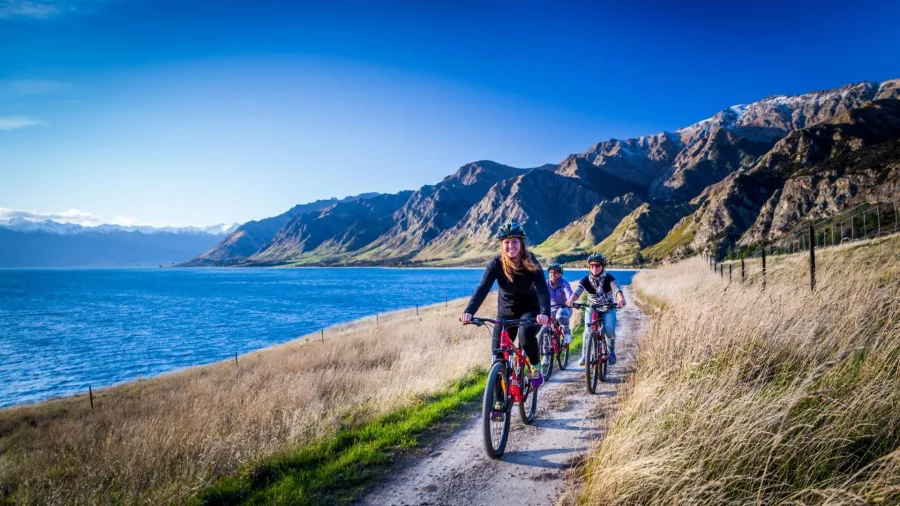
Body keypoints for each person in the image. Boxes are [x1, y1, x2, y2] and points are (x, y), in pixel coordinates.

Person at [461, 222, 551, 387]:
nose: (511, 246)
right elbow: (483, 288)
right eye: (507, 242)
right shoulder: (496, 264)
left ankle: (535, 366)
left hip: (530, 310)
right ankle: (498, 404)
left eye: (515, 241)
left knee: (524, 334)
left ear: (521, 243)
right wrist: (469, 311)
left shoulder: (531, 261)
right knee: (498, 356)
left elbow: (543, 290)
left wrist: (545, 313)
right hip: (506, 312)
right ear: (502, 245)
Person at [566, 252, 626, 366]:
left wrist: (621, 299)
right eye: (592, 265)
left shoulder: (609, 278)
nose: (594, 268)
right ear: (589, 266)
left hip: (608, 308)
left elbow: (617, 290)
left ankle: (611, 351)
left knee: (608, 329)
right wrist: (571, 300)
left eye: (597, 265)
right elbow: (577, 292)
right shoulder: (585, 279)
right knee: (588, 330)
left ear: (602, 266)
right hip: (592, 308)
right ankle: (584, 356)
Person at [544, 263, 573, 366]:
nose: (553, 274)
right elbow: (540, 294)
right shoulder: (546, 283)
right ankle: (546, 356)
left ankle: (567, 333)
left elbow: (569, 293)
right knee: (545, 330)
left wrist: (570, 300)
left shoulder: (564, 283)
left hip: (564, 309)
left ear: (560, 274)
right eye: (551, 272)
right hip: (551, 310)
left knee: (560, 314)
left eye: (555, 272)